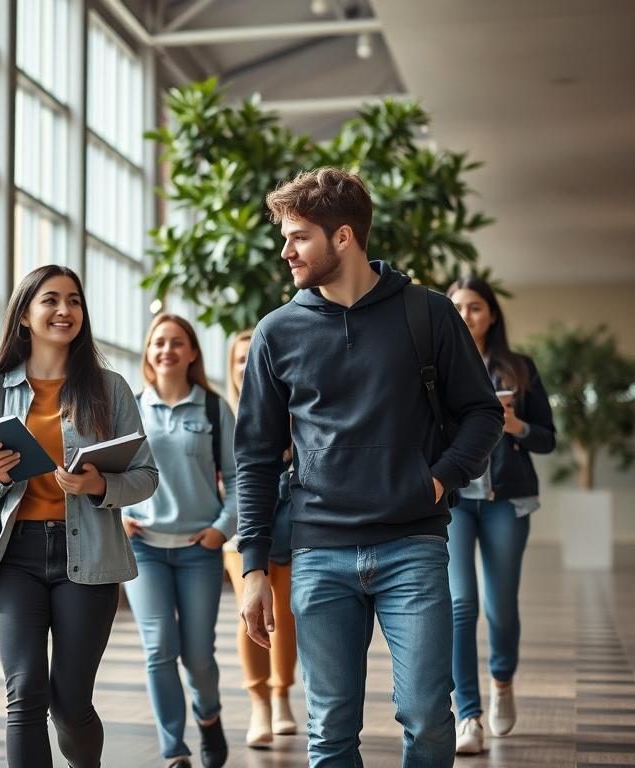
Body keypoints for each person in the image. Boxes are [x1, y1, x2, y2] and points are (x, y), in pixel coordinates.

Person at [233, 167, 504, 768]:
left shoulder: (428, 314)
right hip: (318, 554)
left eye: (298, 237)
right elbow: (254, 456)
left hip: (413, 545)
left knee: (429, 717)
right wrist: (254, 566)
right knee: (329, 732)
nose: (286, 251)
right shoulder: (277, 334)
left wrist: (440, 477)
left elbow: (482, 413)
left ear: (344, 237)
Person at [0, 264, 159, 768]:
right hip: (14, 557)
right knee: (24, 695)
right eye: (50, 300)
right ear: (25, 315)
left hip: (88, 558)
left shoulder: (110, 389)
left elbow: (146, 476)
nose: (64, 310)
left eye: (74, 300)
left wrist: (99, 485)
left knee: (70, 705)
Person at [445, 276, 556, 755]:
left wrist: (516, 425)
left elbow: (547, 439)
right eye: (458, 307)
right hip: (453, 500)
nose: (467, 315)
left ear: (491, 314)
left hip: (506, 500)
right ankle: (467, 714)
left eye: (475, 307)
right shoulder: (437, 366)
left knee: (500, 607)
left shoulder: (520, 368)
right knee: (459, 606)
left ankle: (503, 680)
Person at [122, 313, 236, 768]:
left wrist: (221, 529)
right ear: (148, 354)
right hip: (143, 548)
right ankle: (174, 750)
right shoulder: (127, 407)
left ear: (191, 352)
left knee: (198, 656)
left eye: (176, 342)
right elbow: (107, 471)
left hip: (197, 549)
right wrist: (120, 514)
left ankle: (208, 717)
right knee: (158, 647)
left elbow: (240, 477)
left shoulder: (213, 408)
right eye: (158, 343)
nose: (166, 350)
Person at [222, 328, 300, 749]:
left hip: (291, 516)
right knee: (251, 608)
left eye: (253, 355)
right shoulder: (224, 413)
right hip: (241, 525)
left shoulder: (290, 403)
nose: (247, 364)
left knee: (285, 613)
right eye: (239, 358)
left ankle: (282, 693)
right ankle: (259, 703)